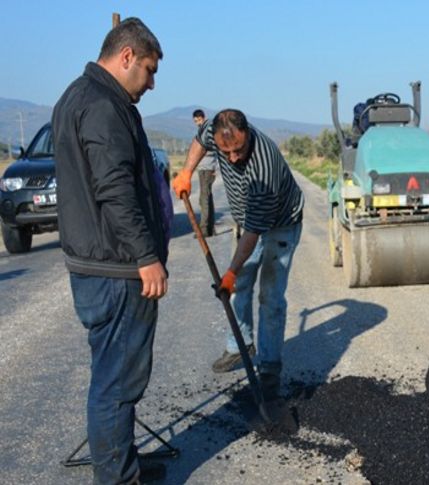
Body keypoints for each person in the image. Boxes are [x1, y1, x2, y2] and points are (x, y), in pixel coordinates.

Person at [52, 17, 170, 484]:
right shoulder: (102, 105)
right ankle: (119, 479)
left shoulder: (75, 97)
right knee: (116, 385)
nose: (152, 83)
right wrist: (146, 256)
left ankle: (123, 464)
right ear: (126, 57)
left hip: (97, 263)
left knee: (112, 377)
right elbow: (115, 188)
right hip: (116, 268)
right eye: (148, 69)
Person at [172, 109, 304, 399]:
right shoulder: (213, 131)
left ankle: (269, 367)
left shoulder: (263, 165)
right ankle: (240, 345)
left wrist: (230, 271)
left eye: (239, 150)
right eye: (226, 151)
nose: (233, 158)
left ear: (248, 135)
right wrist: (186, 172)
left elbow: (254, 233)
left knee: (270, 295)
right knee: (240, 286)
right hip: (247, 220)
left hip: (280, 224)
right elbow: (199, 140)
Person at [192, 109, 217, 237]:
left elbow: (210, 148)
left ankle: (204, 229)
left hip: (207, 168)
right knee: (208, 197)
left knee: (204, 199)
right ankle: (211, 228)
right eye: (195, 121)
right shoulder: (202, 129)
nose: (197, 123)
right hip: (204, 168)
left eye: (199, 120)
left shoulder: (208, 130)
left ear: (203, 118)